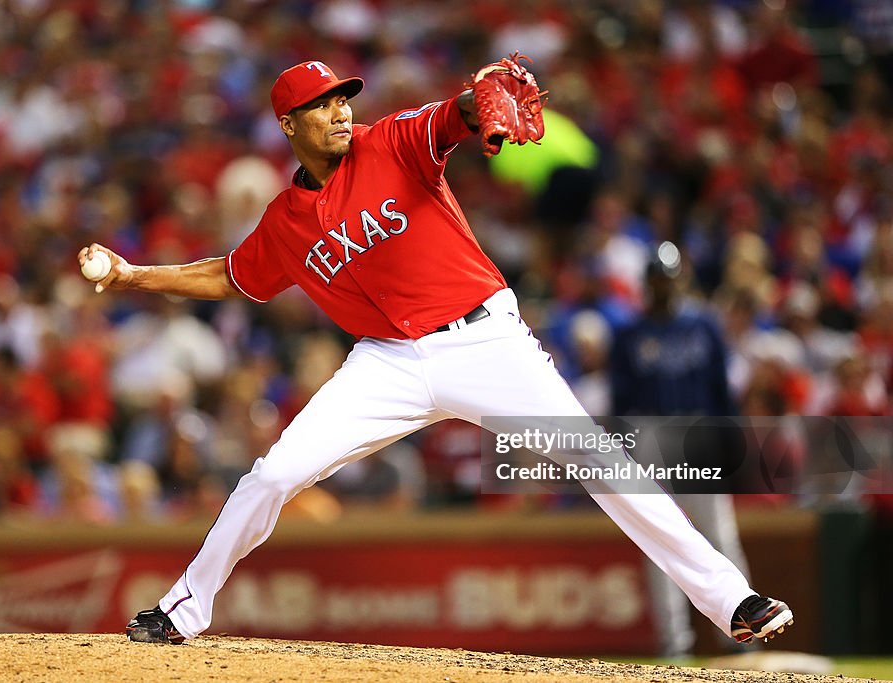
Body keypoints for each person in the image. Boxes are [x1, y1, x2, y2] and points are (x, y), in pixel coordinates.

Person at [78, 59, 793, 646]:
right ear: (288, 124)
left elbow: (456, 114)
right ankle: (182, 609)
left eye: (342, 99)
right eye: (322, 105)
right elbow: (230, 274)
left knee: (598, 460)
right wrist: (133, 274)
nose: (340, 112)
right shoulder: (285, 223)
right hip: (387, 360)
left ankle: (733, 598)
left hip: (483, 338)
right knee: (271, 475)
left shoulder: (391, 141)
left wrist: (479, 103)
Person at [610, 242, 753, 657]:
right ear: (647, 284)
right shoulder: (629, 334)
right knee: (660, 542)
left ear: (681, 280)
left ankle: (740, 635)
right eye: (656, 281)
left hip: (699, 434)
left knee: (721, 538)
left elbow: (722, 393)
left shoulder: (704, 325)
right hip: (652, 437)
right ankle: (675, 644)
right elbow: (621, 404)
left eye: (668, 280)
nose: (662, 288)